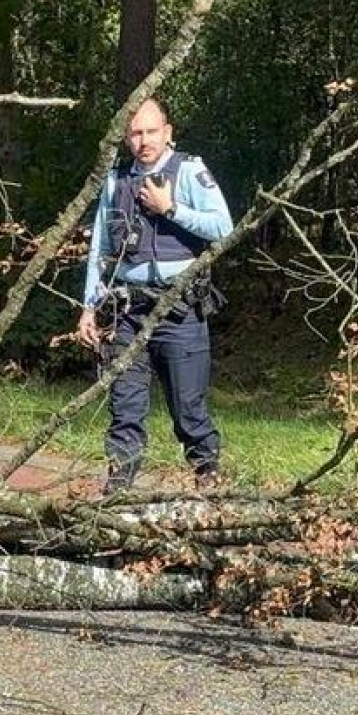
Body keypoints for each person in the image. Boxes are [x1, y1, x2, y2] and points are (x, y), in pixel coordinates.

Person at [77, 98, 233, 493]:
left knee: (189, 410)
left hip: (180, 309)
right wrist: (89, 307)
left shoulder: (189, 171)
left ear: (168, 132)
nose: (143, 140)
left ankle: (209, 483)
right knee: (125, 408)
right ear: (127, 137)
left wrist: (171, 208)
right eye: (135, 133)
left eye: (151, 131)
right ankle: (118, 492)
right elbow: (100, 247)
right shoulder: (116, 180)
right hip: (127, 311)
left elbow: (223, 227)